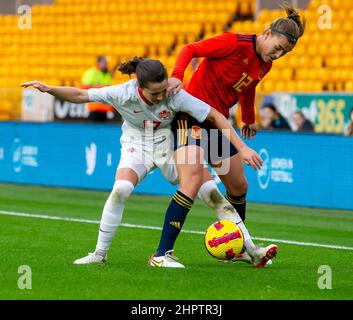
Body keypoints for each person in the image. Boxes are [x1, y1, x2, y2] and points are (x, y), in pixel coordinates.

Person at [21, 57, 266, 268]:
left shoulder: (175, 94)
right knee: (121, 189)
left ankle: (252, 249)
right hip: (137, 145)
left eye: (164, 90)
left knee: (211, 193)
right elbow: (80, 94)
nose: (162, 96)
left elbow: (215, 115)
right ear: (139, 86)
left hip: (170, 146)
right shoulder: (122, 93)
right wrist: (48, 88)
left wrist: (241, 147)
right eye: (155, 93)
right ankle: (99, 254)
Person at [157, 4, 305, 266]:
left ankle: (238, 247)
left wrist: (248, 117)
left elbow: (249, 87)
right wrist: (178, 76)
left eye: (285, 52)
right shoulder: (234, 43)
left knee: (239, 186)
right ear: (268, 33)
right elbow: (190, 49)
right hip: (191, 115)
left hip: (217, 123)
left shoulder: (265, 64)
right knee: (190, 184)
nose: (279, 54)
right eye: (278, 47)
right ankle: (161, 254)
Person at [81, 55, 118, 122]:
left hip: (104, 108)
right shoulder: (91, 72)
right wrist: (102, 87)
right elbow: (84, 87)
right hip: (95, 107)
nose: (106, 65)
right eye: (105, 63)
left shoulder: (106, 73)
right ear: (99, 63)